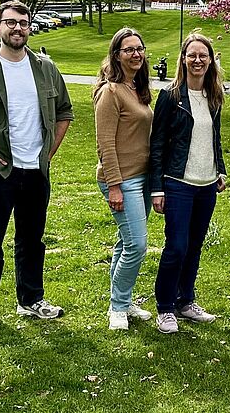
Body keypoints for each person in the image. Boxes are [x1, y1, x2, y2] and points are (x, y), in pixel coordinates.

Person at [0, 0, 73, 332]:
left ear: (29, 26)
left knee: (32, 239)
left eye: (23, 22)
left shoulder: (46, 68)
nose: (17, 28)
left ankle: (31, 299)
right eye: (10, 22)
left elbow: (64, 111)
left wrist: (47, 153)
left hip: (35, 171)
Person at [150, 32, 227, 334]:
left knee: (194, 246)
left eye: (203, 56)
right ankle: (165, 307)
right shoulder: (170, 96)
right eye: (192, 55)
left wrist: (219, 169)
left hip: (206, 184)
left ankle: (186, 301)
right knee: (177, 247)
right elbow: (156, 143)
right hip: (177, 182)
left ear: (210, 60)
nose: (198, 60)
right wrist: (157, 187)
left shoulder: (215, 94)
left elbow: (214, 137)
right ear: (183, 59)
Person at [93, 27, 155, 331]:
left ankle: (124, 299)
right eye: (128, 49)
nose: (135, 54)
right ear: (116, 55)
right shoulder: (111, 91)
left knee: (125, 242)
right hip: (121, 180)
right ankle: (117, 307)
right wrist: (115, 186)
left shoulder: (136, 89)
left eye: (139, 49)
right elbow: (105, 143)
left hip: (142, 179)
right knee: (137, 245)